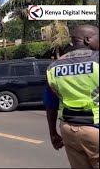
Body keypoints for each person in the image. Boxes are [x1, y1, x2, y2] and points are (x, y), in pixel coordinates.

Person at [44, 25, 99, 169]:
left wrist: (53, 133)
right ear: (88, 39)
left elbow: (51, 105)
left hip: (68, 130)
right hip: (95, 129)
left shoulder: (53, 68)